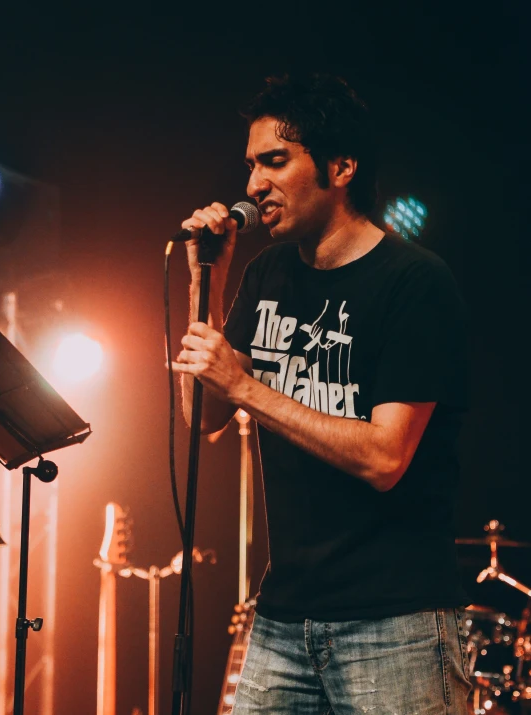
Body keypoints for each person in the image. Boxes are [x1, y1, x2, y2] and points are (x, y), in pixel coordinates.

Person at [171, 74, 471, 714]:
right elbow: (202, 417)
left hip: (398, 626)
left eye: (275, 161)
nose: (253, 185)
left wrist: (247, 386)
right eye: (251, 165)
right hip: (282, 619)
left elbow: (385, 460)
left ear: (340, 166)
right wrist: (210, 280)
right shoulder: (267, 272)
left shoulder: (414, 282)